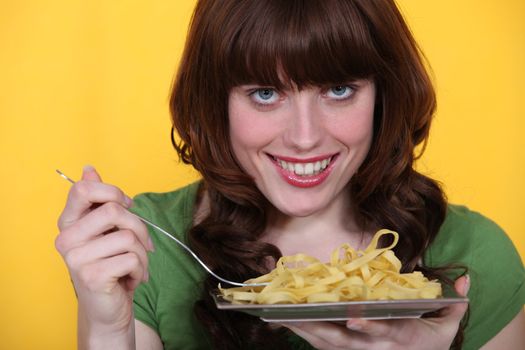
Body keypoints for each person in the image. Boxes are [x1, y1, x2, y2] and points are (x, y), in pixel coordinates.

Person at [55, 0, 525, 349]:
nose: (304, 138)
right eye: (264, 93)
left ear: (385, 95)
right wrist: (106, 328)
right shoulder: (147, 246)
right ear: (215, 101)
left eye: (339, 89)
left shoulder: (475, 256)